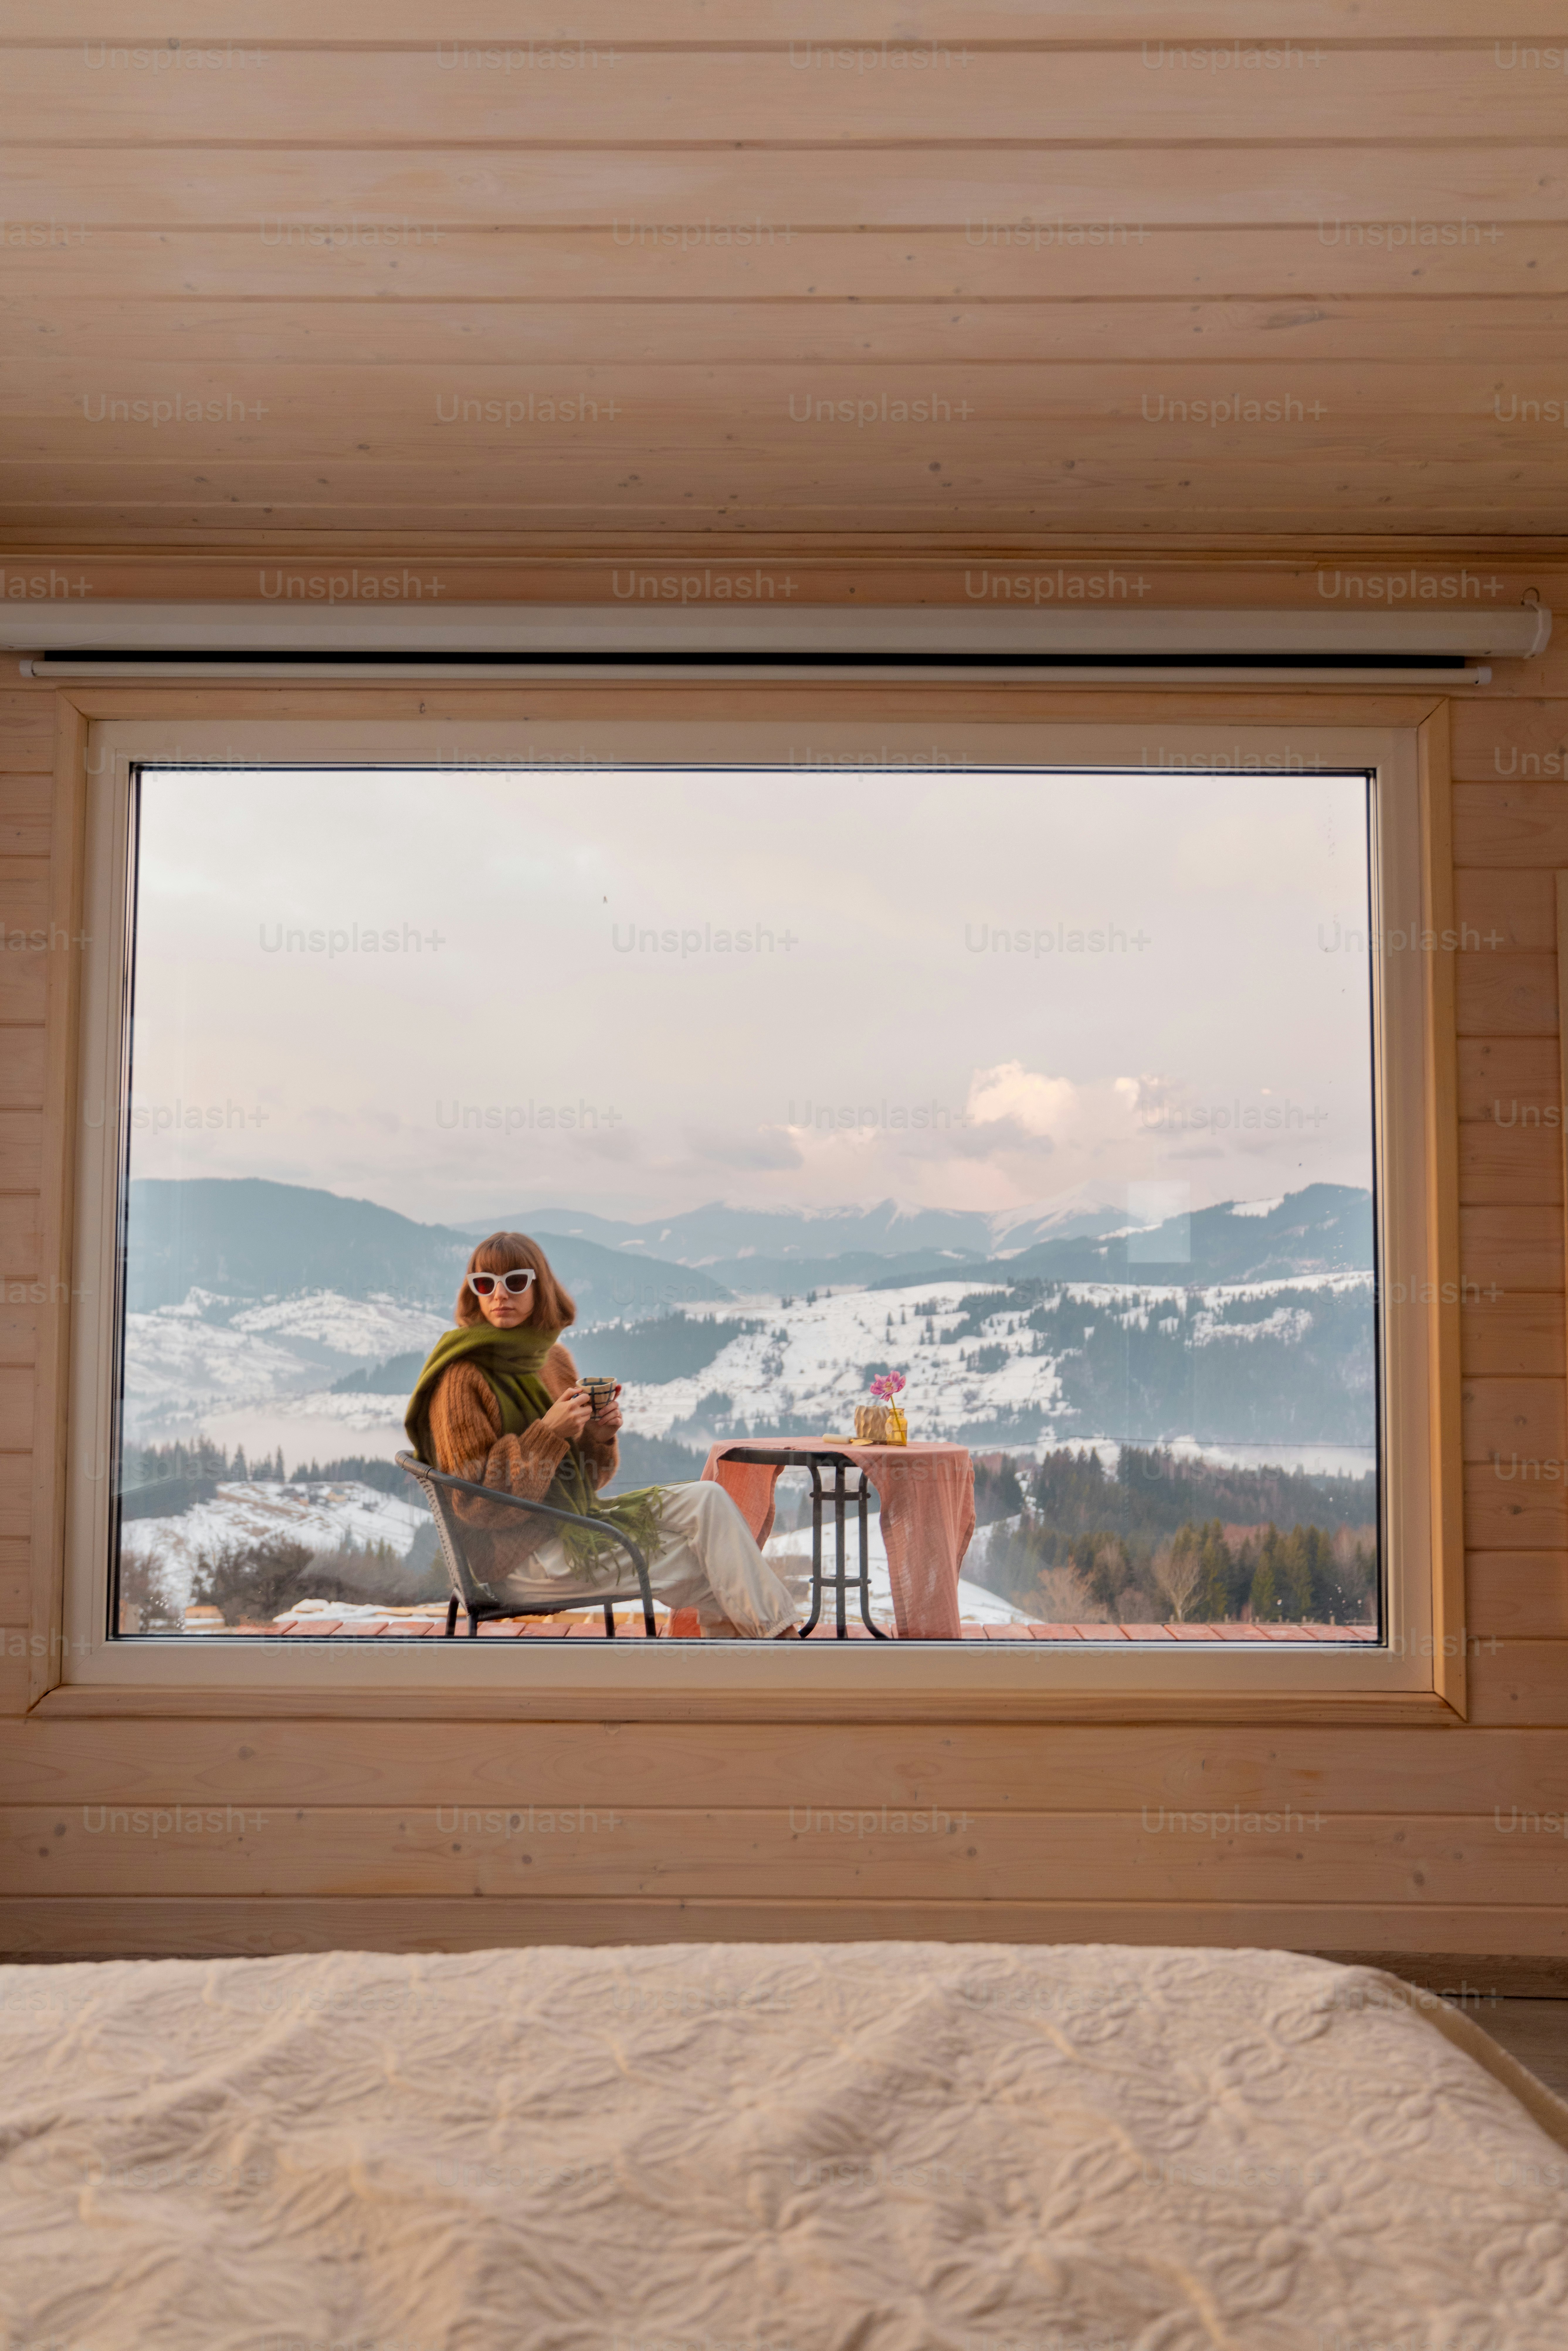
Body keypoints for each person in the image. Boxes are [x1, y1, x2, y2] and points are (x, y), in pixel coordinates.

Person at [406, 1231, 799, 1639]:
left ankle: (749, 1658)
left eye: (516, 1281)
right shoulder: (462, 1377)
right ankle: (778, 1651)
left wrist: (597, 1437)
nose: (500, 1294)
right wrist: (548, 1434)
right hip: (521, 1563)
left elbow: (587, 1480)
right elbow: (473, 1504)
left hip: (570, 1525)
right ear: (473, 1293)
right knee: (710, 1563)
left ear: (539, 1288)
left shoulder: (552, 1359)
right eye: (485, 1284)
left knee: (709, 1498)